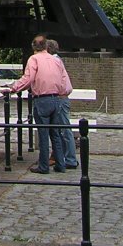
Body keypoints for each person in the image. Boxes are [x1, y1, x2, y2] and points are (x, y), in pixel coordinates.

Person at [1, 34, 71, 174]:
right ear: (46, 46)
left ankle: (44, 166)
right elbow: (63, 81)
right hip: (57, 99)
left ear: (34, 47)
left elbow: (28, 79)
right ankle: (61, 165)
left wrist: (14, 88)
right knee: (56, 134)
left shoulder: (34, 59)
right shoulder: (56, 60)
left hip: (42, 99)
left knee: (43, 134)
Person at [46, 38, 78, 168]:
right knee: (61, 129)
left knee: (64, 129)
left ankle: (70, 159)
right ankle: (63, 157)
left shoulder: (54, 61)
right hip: (61, 97)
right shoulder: (57, 60)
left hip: (60, 98)